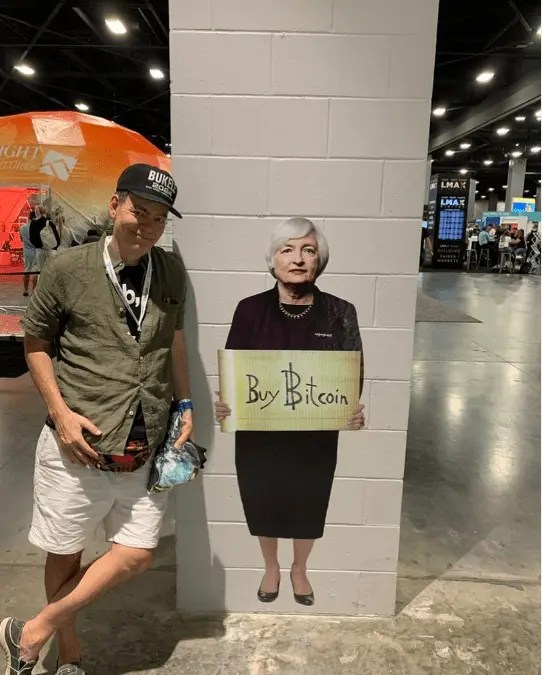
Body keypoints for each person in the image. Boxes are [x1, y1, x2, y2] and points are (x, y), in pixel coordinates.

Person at [0, 164, 192, 675]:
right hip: (77, 443)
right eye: (139, 211)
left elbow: (174, 341)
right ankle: (68, 652)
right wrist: (59, 413)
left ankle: (31, 630)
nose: (147, 226)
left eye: (158, 218)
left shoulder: (170, 272)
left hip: (145, 442)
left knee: (137, 553)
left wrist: (186, 404)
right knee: (65, 551)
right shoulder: (68, 268)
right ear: (114, 205)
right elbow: (35, 343)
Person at [214, 218, 365, 607]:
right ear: (273, 259)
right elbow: (233, 374)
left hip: (315, 435)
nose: (298, 259)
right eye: (287, 250)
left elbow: (353, 376)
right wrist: (226, 403)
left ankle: (299, 568)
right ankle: (271, 567)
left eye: (308, 250)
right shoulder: (249, 311)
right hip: (259, 433)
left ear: (319, 260)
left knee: (309, 500)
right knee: (262, 498)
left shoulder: (340, 313)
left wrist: (350, 409)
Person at [29, 205, 61, 269]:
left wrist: (38, 246)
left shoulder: (33, 223)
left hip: (40, 250)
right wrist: (55, 246)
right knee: (52, 269)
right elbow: (56, 236)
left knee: (41, 270)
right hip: (51, 249)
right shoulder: (49, 222)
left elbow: (31, 238)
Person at [19, 215, 39, 296]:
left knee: (26, 270)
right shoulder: (37, 228)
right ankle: (33, 291)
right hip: (36, 251)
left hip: (26, 252)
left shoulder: (22, 227)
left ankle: (25, 290)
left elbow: (21, 239)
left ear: (28, 217)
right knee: (35, 271)